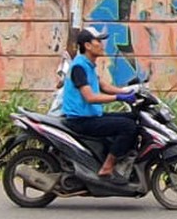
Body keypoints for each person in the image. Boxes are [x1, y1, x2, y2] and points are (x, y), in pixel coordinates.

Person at [59, 26, 138, 177]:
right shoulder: (79, 67)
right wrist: (118, 98)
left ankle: (123, 157)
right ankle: (107, 167)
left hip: (91, 116)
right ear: (87, 46)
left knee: (134, 117)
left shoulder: (88, 65)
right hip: (80, 120)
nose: (102, 45)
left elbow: (103, 86)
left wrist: (128, 92)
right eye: (99, 41)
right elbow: (90, 97)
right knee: (128, 126)